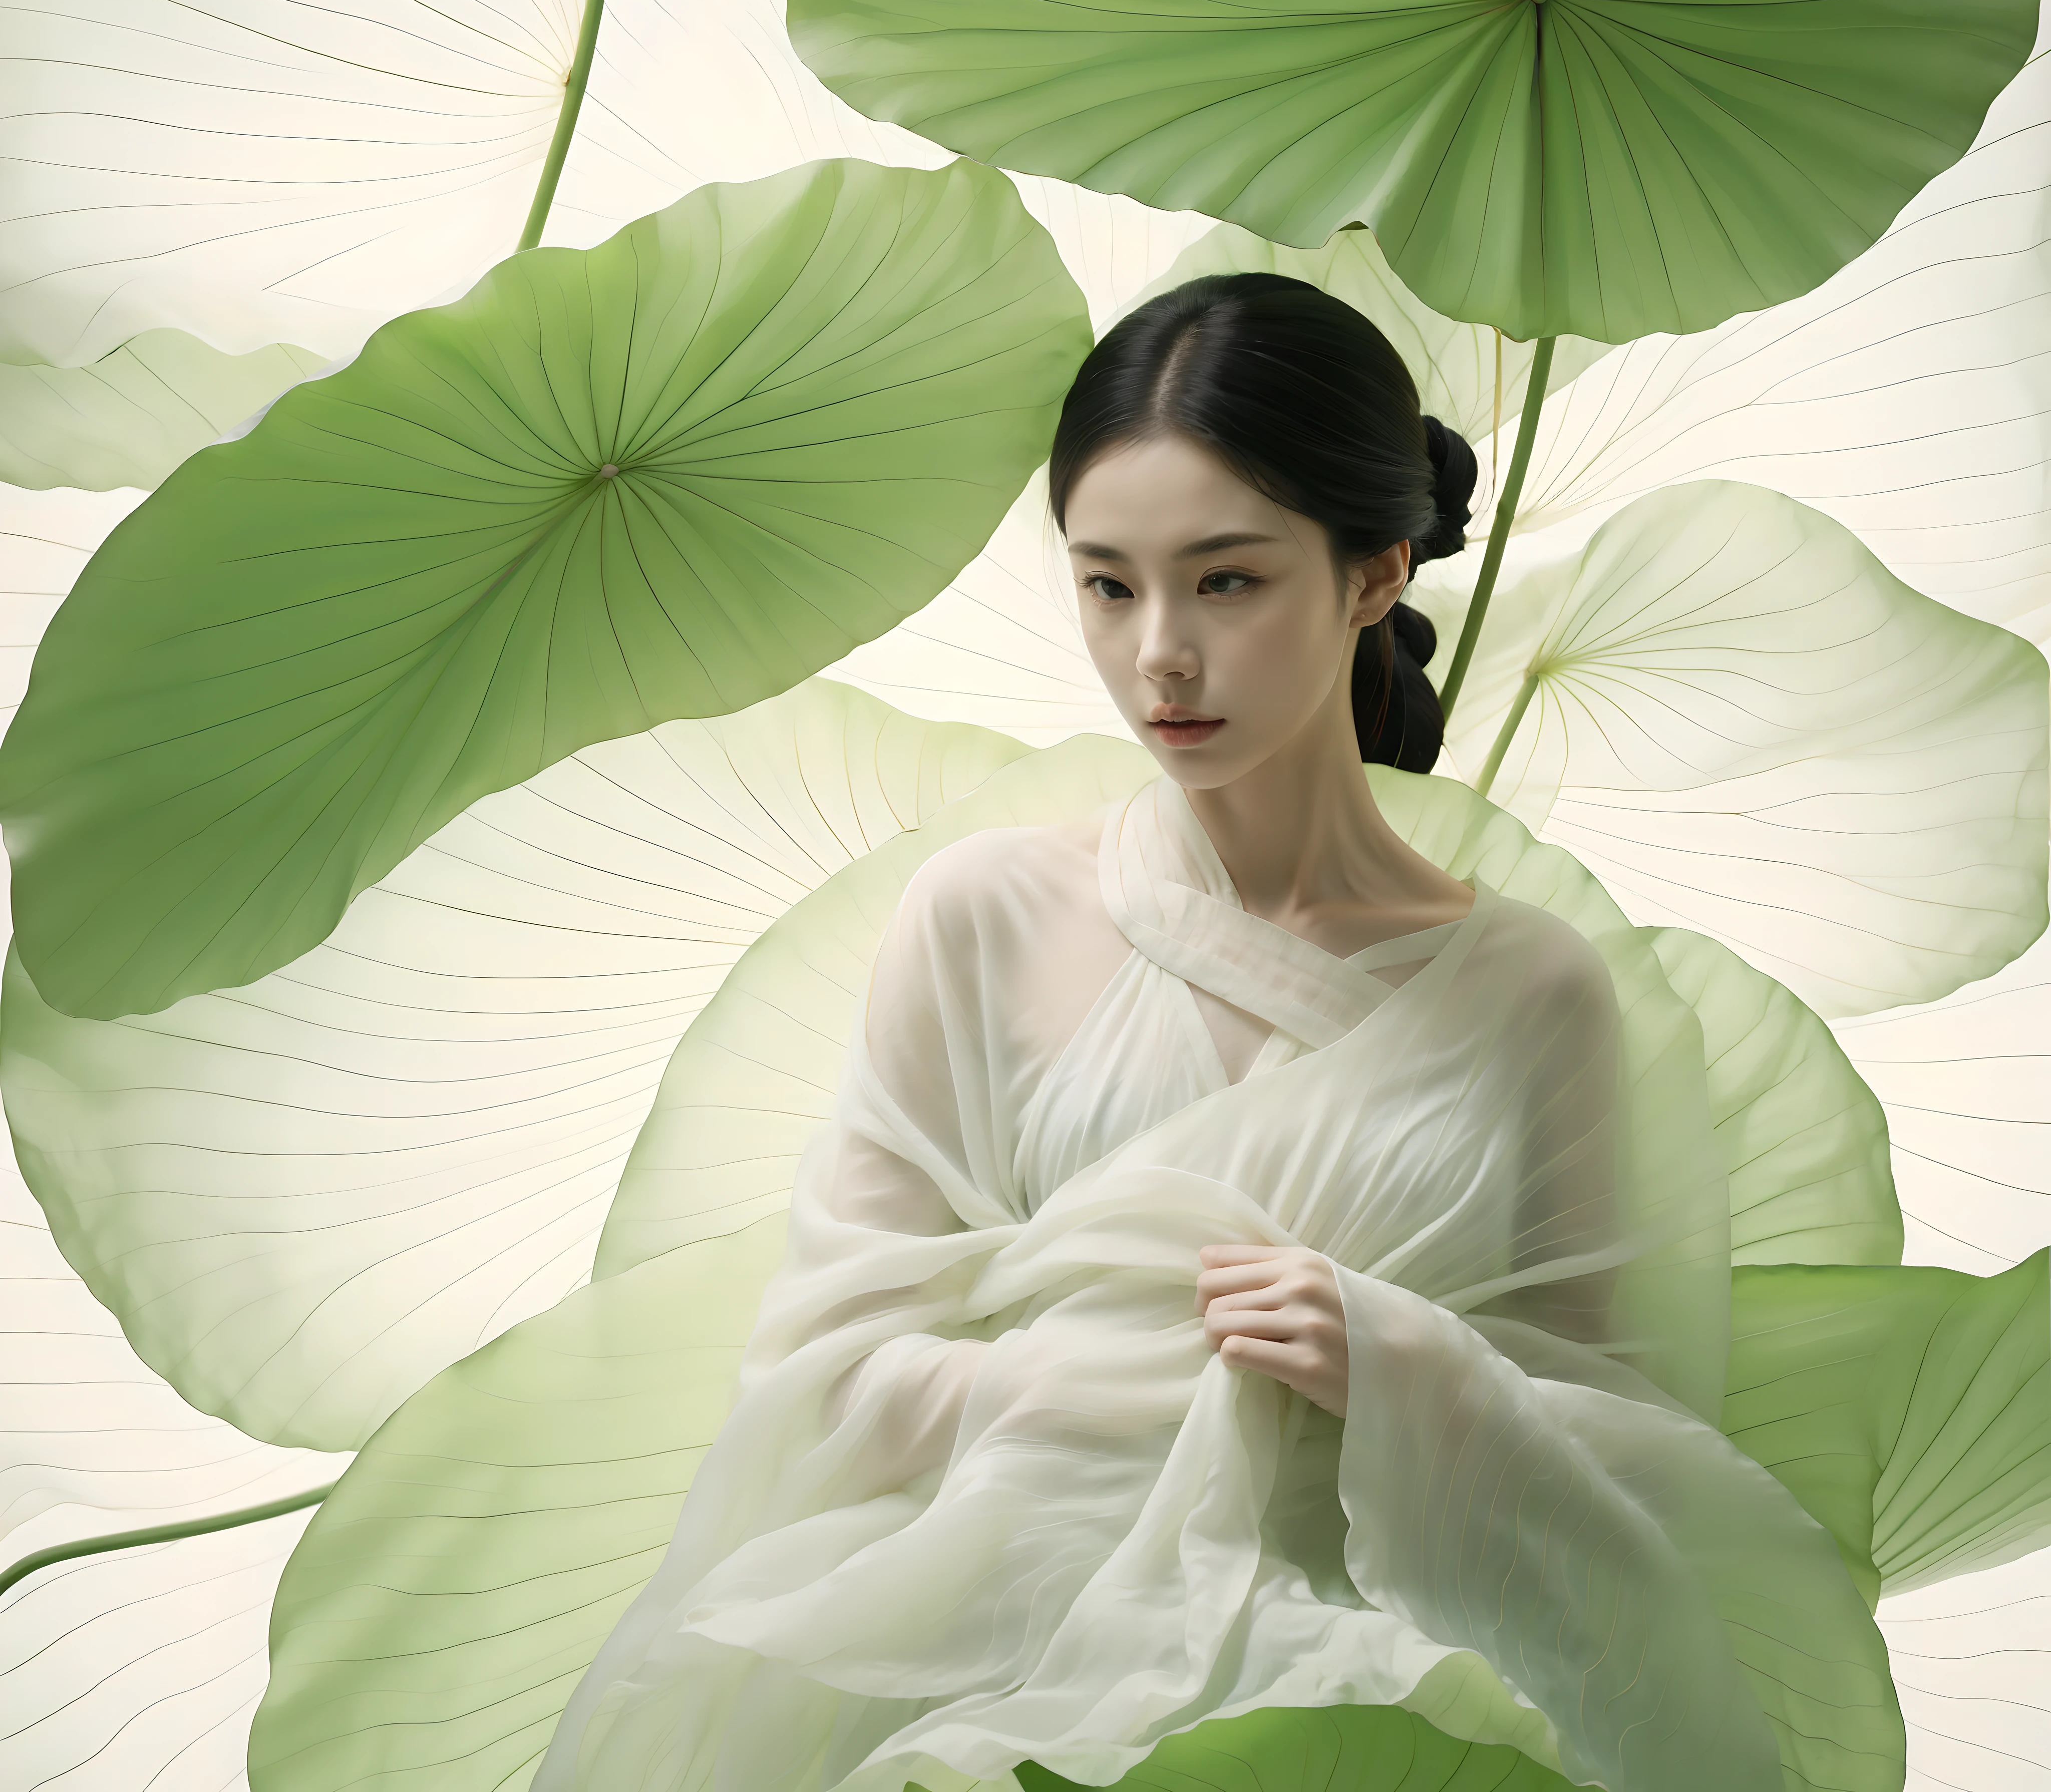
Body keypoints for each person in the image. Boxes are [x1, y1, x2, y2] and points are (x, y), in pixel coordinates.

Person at [534, 275, 1894, 1792]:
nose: (1159, 658)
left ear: (1375, 573)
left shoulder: (1529, 992)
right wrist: (1104, 1379)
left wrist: (1390, 1357)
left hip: (1394, 1686)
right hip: (979, 1657)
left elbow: (1624, 1454)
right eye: (1109, 586)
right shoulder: (981, 916)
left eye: (1226, 582)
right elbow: (824, 1368)